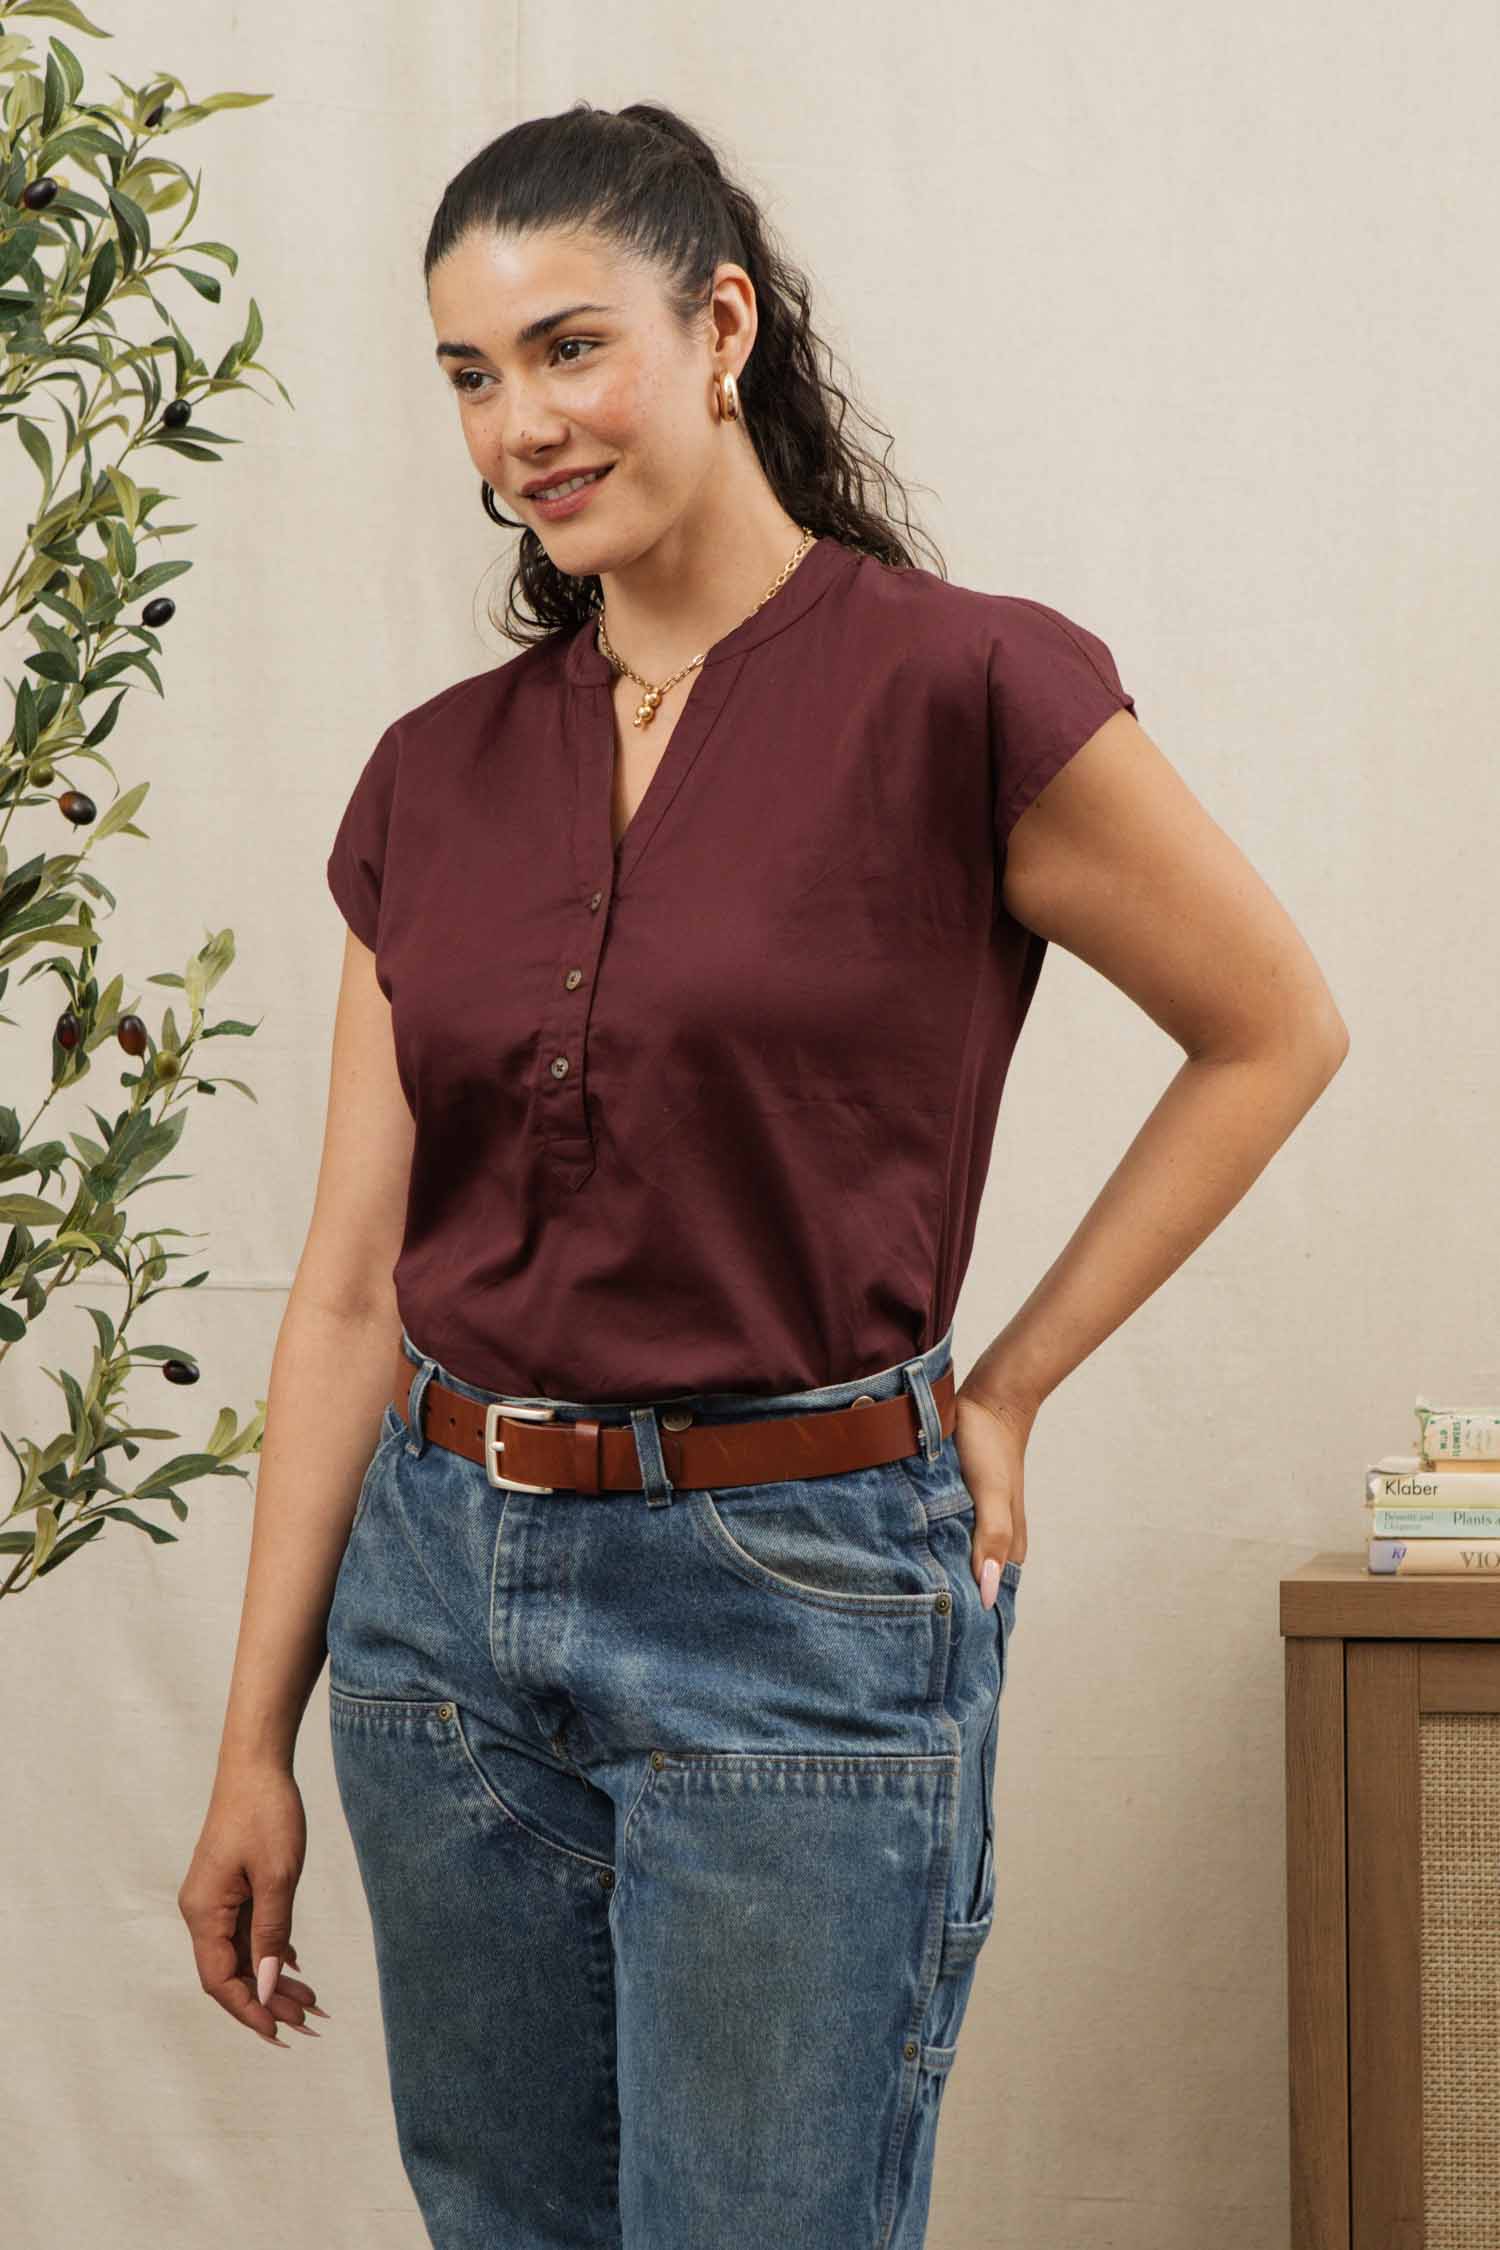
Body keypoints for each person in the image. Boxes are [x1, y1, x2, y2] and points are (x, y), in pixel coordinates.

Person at [177, 98, 1349, 2249]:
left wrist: (1003, 1391)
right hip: (438, 1622)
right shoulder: (432, 779)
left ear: (721, 329)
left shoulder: (967, 688)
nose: (517, 424)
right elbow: (350, 1289)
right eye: (467, 374)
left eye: (566, 347)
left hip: (794, 1607)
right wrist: (254, 1735)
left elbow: (1274, 1027)